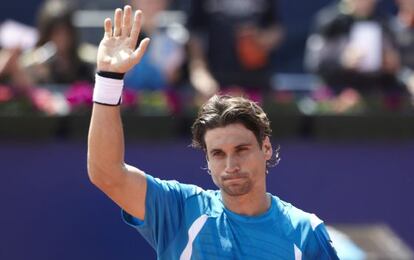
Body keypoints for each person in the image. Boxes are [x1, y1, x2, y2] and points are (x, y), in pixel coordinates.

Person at [87, 6, 339, 259]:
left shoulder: (305, 232)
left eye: (241, 149)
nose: (231, 165)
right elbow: (106, 173)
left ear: (266, 148)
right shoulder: (179, 211)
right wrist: (109, 78)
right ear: (207, 159)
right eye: (218, 153)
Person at [186, 0, 284, 98]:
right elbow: (195, 32)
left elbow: (276, 28)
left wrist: (259, 39)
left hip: (258, 81)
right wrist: (199, 71)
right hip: (216, 81)